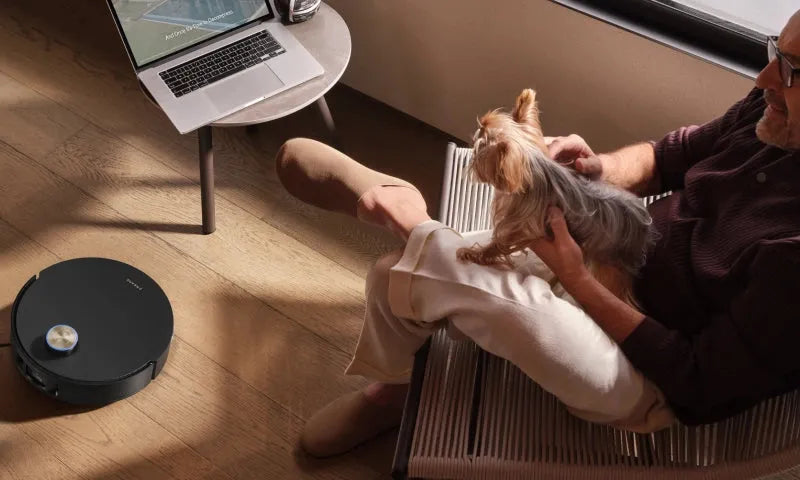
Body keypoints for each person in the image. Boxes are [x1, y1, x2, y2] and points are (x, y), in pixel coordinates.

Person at [276, 9, 800, 458]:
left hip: (646, 373)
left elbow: (697, 384)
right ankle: (392, 391)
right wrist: (597, 169)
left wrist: (577, 280)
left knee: (470, 284)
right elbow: (671, 156)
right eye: (776, 50)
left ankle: (406, 216)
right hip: (613, 258)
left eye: (794, 69)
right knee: (396, 272)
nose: (764, 79)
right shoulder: (774, 111)